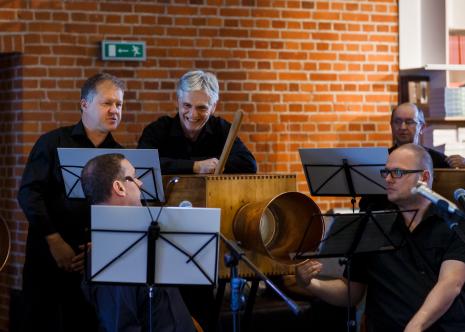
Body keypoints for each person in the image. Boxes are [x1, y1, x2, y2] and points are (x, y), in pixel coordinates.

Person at [296, 144, 465, 332]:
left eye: (398, 173)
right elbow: (351, 293)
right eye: (386, 172)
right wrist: (310, 283)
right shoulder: (372, 225)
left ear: (424, 177)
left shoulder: (452, 222)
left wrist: (415, 326)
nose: (388, 179)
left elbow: (451, 283)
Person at [17, 72, 126, 332]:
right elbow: (29, 194)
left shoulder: (120, 156)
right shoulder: (52, 142)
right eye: (107, 103)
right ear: (84, 104)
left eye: (119, 105)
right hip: (48, 258)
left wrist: (99, 246)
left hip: (92, 262)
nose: (114, 111)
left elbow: (121, 211)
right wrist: (55, 242)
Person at [80, 153, 196, 332]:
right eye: (134, 177)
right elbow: (122, 326)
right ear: (119, 187)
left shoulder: (137, 237)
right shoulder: (110, 256)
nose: (140, 183)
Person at [138, 70, 257, 174]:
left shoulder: (221, 128)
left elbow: (249, 164)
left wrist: (216, 164)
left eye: (202, 108)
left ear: (213, 107)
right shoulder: (157, 129)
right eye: (187, 105)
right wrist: (196, 166)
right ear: (178, 102)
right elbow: (141, 162)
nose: (193, 114)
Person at [390, 102, 465, 168]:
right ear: (391, 126)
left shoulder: (436, 159)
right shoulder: (382, 158)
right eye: (397, 121)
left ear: (421, 128)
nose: (402, 127)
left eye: (409, 122)